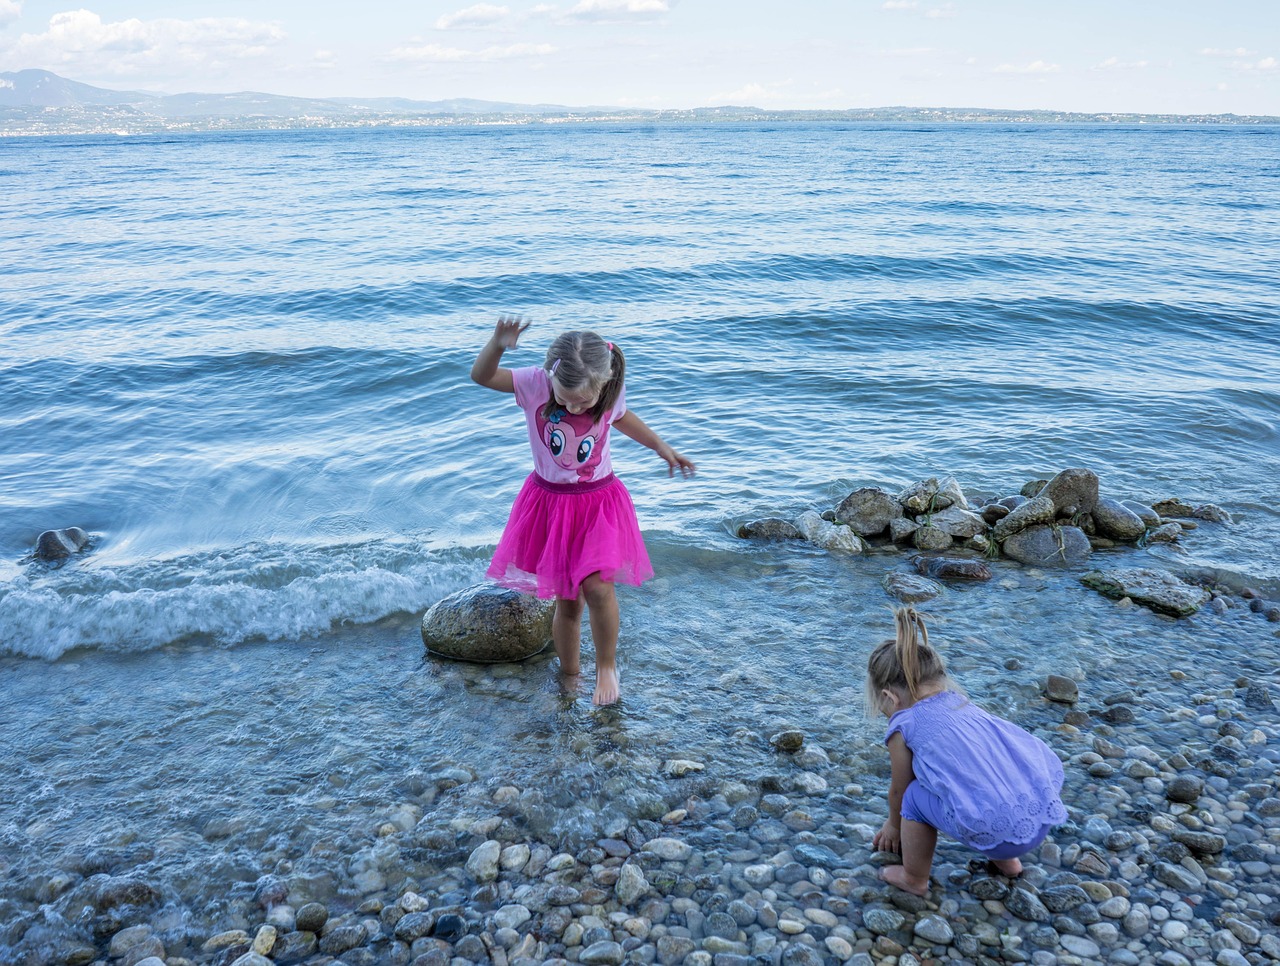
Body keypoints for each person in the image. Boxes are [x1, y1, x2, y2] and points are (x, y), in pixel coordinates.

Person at [470, 316, 695, 705]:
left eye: (583, 402)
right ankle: (570, 674)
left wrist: (661, 447)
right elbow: (481, 376)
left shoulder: (608, 386)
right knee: (566, 599)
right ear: (549, 377)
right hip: (550, 503)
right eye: (565, 398)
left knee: (597, 586)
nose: (574, 405)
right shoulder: (534, 383)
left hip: (598, 503)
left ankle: (606, 666)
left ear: (603, 385)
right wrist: (497, 345)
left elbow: (622, 418)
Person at [868, 607, 1067, 895]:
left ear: (888, 697)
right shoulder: (959, 703)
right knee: (985, 777)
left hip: (995, 832)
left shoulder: (904, 724)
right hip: (1039, 817)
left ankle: (914, 879)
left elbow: (899, 789)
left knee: (913, 798)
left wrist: (893, 827)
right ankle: (1009, 864)